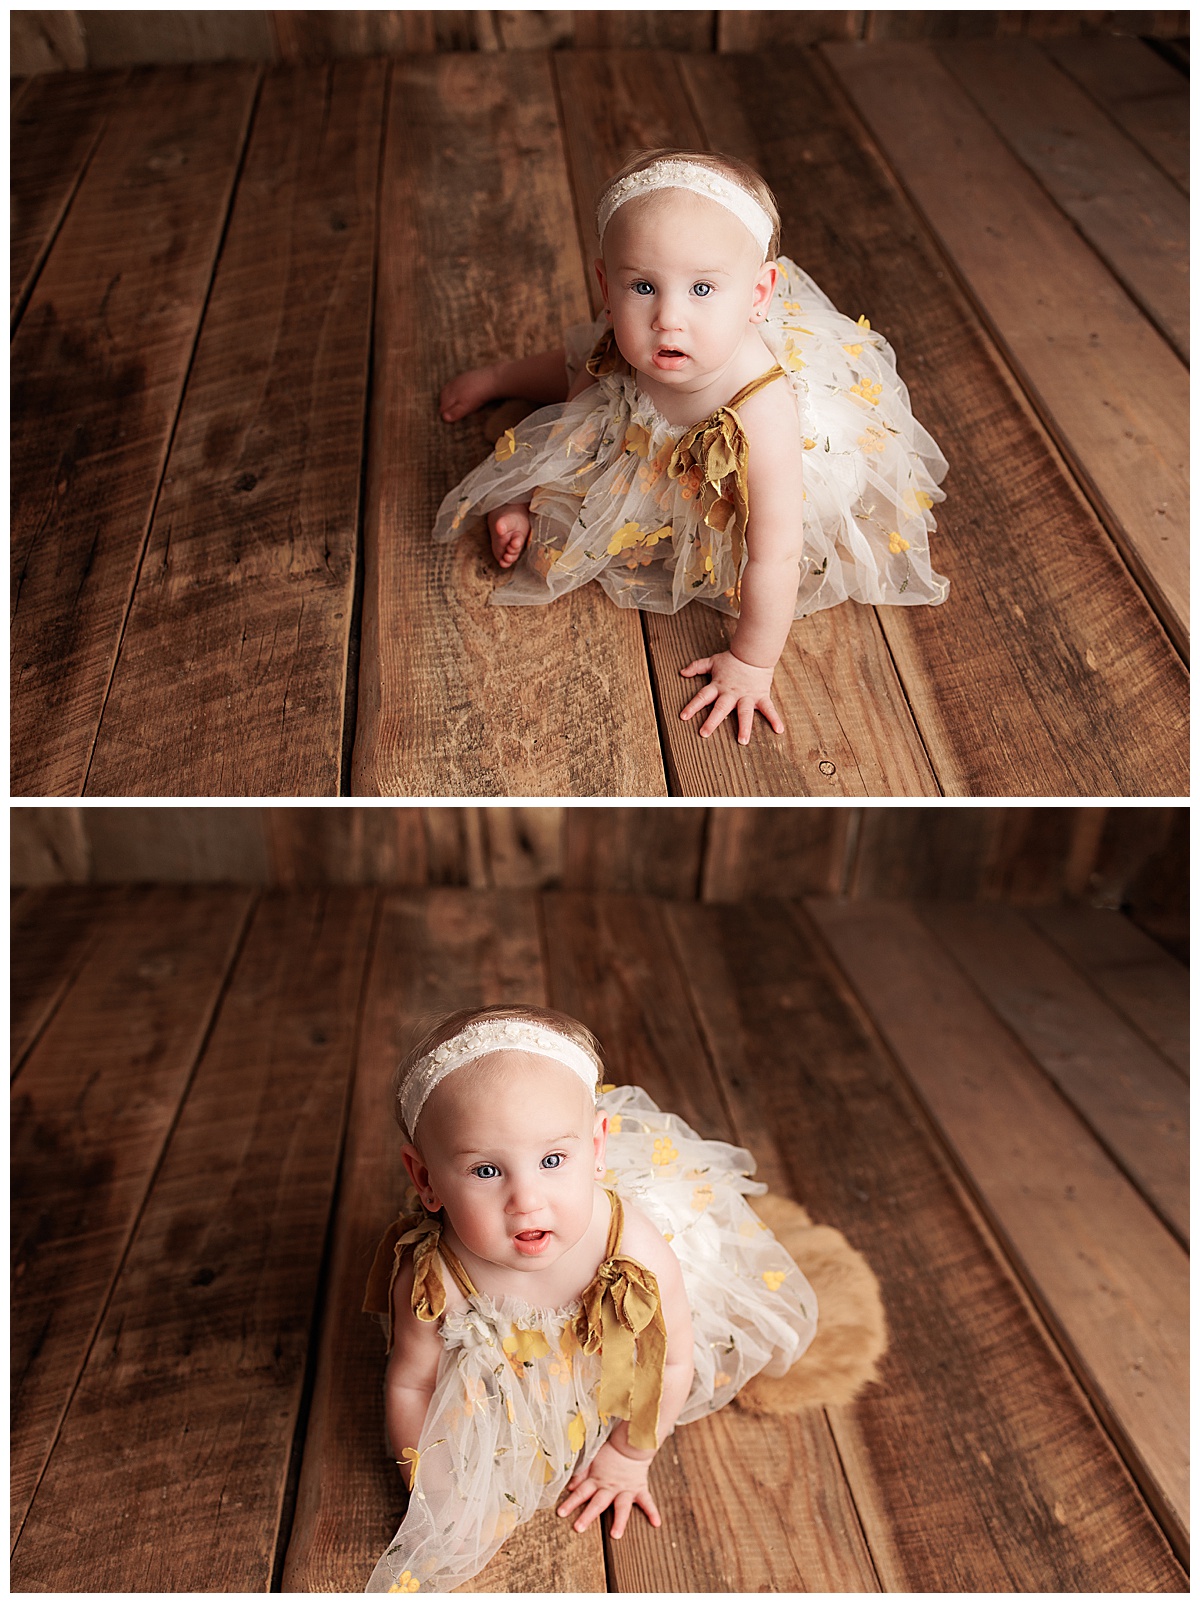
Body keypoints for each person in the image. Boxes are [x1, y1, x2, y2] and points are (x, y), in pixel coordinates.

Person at [434, 148, 948, 746]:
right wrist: (526, 493)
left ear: (759, 295)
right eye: (643, 286)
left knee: (625, 381)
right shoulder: (636, 334)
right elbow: (574, 424)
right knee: (595, 367)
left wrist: (753, 663)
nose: (668, 317)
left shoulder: (763, 412)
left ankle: (516, 385)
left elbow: (773, 555)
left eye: (702, 287)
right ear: (607, 284)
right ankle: (503, 378)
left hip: (745, 495)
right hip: (643, 435)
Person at [362, 1004, 817, 1592]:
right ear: (425, 1180)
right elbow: (412, 1385)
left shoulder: (632, 1251)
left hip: (630, 1332)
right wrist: (435, 1491)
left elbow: (673, 1358)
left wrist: (629, 1456)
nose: (527, 1200)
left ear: (596, 1148)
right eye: (485, 1171)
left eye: (553, 1160)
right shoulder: (435, 1279)